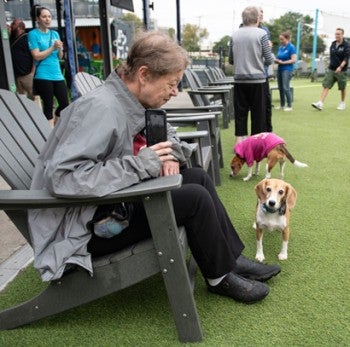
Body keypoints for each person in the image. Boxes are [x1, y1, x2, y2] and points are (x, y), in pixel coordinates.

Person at [28, 31, 281, 304]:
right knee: (193, 199)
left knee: (197, 177)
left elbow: (166, 133)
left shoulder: (129, 100)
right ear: (144, 74)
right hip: (86, 229)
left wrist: (169, 154)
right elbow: (65, 179)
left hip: (109, 205)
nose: (175, 92)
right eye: (171, 84)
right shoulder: (100, 109)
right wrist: (142, 164)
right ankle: (219, 277)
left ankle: (229, 259)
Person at [229, 6, 274, 145]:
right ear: (257, 18)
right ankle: (256, 144)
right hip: (258, 80)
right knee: (258, 113)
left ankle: (239, 142)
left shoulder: (234, 35)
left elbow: (231, 60)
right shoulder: (261, 34)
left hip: (240, 79)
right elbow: (269, 59)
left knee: (240, 113)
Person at [28, 5, 69, 127]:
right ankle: (49, 133)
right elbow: (36, 56)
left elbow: (60, 57)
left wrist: (60, 48)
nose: (47, 19)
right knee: (48, 105)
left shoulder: (55, 34)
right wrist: (52, 48)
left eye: (49, 16)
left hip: (57, 74)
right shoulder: (33, 34)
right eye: (44, 16)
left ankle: (55, 127)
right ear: (38, 19)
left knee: (64, 104)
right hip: (43, 75)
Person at [312, 28, 350, 111]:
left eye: (339, 34)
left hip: (342, 71)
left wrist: (340, 67)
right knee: (326, 86)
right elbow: (332, 57)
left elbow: (346, 58)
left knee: (342, 88)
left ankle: (342, 103)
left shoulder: (346, 45)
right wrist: (330, 67)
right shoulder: (333, 44)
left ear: (342, 35)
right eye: (336, 34)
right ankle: (320, 103)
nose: (337, 35)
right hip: (331, 69)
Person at [10, 19, 34, 100]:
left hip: (27, 74)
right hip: (16, 76)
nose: (11, 25)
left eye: (13, 24)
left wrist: (32, 72)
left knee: (33, 97)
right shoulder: (11, 39)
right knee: (20, 99)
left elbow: (34, 55)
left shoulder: (27, 38)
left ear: (19, 27)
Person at [258, 7, 274, 132]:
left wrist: (268, 46)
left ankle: (268, 131)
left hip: (263, 72)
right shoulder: (243, 29)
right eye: (259, 14)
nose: (261, 16)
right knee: (256, 106)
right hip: (252, 73)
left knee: (266, 104)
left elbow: (268, 52)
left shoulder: (265, 30)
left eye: (262, 14)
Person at [274, 32, 296, 112]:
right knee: (280, 88)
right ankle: (282, 105)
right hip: (280, 69)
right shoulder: (280, 47)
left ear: (287, 39)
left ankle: (289, 106)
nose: (281, 41)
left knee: (286, 87)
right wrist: (276, 60)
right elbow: (279, 57)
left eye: (282, 39)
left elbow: (293, 60)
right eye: (280, 39)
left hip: (287, 69)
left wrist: (283, 62)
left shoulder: (291, 47)